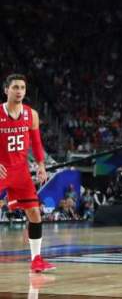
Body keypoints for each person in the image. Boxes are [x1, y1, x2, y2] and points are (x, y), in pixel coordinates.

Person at [0, 74, 55, 273]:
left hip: (21, 171)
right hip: (2, 169)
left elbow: (37, 142)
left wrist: (41, 164)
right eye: (15, 87)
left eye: (22, 87)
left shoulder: (31, 114)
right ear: (6, 90)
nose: (19, 91)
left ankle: (36, 259)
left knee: (34, 213)